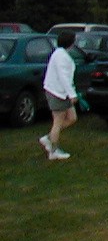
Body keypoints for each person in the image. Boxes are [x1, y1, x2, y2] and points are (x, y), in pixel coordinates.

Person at [40, 31, 79, 161]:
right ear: (71, 42)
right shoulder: (61, 56)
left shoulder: (60, 54)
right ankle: (53, 151)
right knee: (58, 122)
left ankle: (48, 138)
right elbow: (64, 77)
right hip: (57, 93)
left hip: (62, 93)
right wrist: (72, 94)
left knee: (72, 118)